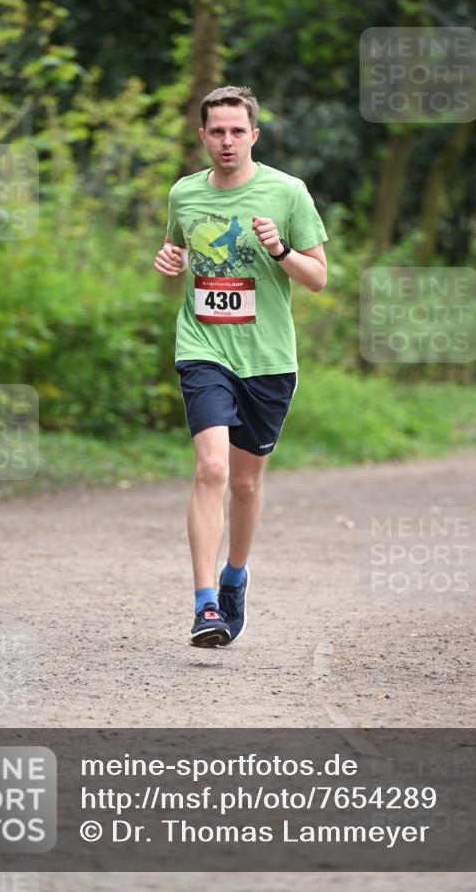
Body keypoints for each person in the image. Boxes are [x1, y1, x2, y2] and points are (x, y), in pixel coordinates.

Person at [153, 85, 328, 647]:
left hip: (269, 358)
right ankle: (206, 605)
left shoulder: (287, 192)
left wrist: (281, 252)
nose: (226, 141)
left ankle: (234, 578)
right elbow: (177, 251)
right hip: (203, 347)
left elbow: (319, 276)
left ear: (253, 135)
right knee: (212, 470)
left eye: (237, 131)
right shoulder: (184, 194)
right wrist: (168, 261)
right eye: (216, 131)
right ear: (202, 136)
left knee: (247, 484)